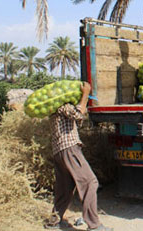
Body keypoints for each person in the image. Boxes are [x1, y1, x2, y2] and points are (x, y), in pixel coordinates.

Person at [44, 82, 112, 231]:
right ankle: (94, 225)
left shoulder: (54, 110)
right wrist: (85, 94)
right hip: (69, 149)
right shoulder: (64, 106)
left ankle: (54, 222)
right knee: (90, 182)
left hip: (59, 151)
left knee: (65, 188)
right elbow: (79, 114)